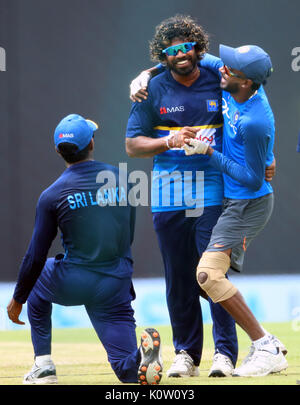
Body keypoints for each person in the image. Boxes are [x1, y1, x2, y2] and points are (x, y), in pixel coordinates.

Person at [6, 113, 162, 385]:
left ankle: (43, 366)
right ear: (91, 143)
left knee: (38, 276)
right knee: (126, 372)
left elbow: (34, 256)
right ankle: (137, 360)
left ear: (58, 150)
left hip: (75, 280)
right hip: (115, 280)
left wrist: (19, 298)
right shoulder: (122, 179)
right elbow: (129, 232)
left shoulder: (52, 195)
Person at [126, 15, 239, 378]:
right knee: (179, 278)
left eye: (187, 46)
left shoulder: (218, 76)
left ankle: (225, 354)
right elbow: (132, 145)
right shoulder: (151, 88)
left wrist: (266, 158)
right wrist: (167, 140)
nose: (181, 54)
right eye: (172, 50)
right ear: (163, 56)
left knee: (212, 274)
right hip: (168, 195)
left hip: (211, 190)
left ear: (197, 47)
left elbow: (251, 85)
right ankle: (186, 354)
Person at [182, 44, 288, 376]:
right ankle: (268, 344)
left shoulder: (255, 119)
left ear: (246, 82)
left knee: (207, 275)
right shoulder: (238, 84)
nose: (222, 70)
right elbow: (199, 56)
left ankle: (265, 345)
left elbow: (254, 179)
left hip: (248, 204)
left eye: (230, 69)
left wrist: (207, 152)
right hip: (234, 201)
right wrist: (145, 75)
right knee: (206, 280)